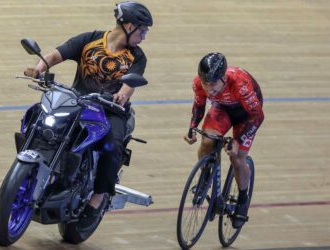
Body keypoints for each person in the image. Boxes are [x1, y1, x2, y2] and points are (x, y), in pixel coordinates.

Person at [24, 1, 153, 227]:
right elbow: (56, 55)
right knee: (39, 117)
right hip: (78, 103)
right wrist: (39, 68)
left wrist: (122, 94)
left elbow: (130, 84)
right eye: (142, 31)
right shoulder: (91, 39)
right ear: (130, 26)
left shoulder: (137, 56)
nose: (143, 37)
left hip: (111, 111)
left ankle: (97, 198)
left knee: (112, 146)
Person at [184, 52, 264, 229]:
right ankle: (205, 177)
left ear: (223, 79)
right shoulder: (199, 83)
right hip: (222, 109)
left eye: (213, 84)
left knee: (237, 157)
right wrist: (192, 128)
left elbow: (258, 116)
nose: (208, 89)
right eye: (205, 83)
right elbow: (199, 105)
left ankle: (243, 200)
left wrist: (239, 139)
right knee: (207, 141)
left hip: (247, 115)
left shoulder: (240, 84)